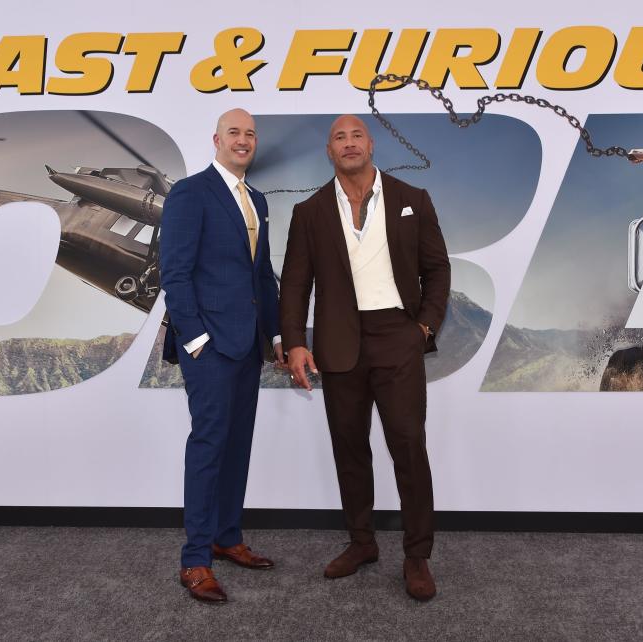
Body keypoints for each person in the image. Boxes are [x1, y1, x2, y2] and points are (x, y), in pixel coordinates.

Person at [279, 114, 450, 601]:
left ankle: (416, 555)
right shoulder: (309, 212)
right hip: (338, 342)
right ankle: (361, 543)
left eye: (357, 135)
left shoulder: (413, 201)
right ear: (329, 152)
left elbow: (437, 270)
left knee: (408, 446)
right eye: (339, 137)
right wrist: (294, 341)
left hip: (398, 336)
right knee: (349, 448)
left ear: (371, 145)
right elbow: (294, 284)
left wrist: (423, 328)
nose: (349, 143)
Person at [159, 108, 283, 603]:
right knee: (209, 446)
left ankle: (227, 538)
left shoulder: (257, 199)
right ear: (216, 139)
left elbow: (262, 276)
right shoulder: (191, 192)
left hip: (248, 346)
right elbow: (175, 273)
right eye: (234, 132)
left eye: (250, 134)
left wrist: (273, 337)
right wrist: (195, 340)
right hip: (208, 346)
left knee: (237, 445)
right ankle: (194, 561)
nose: (243, 140)